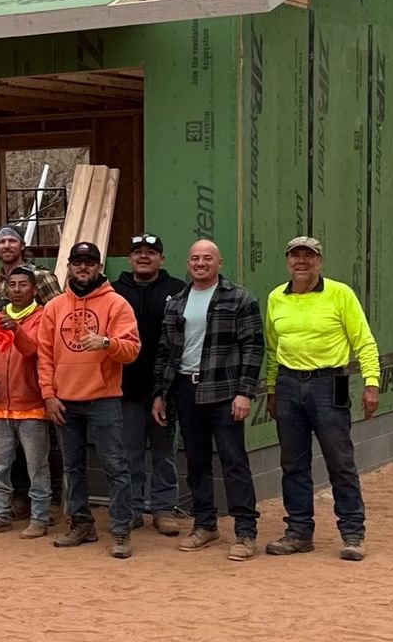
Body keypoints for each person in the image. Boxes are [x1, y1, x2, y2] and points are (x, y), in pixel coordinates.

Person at [262, 236, 381, 561]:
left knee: (340, 461)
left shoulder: (340, 294)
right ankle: (299, 532)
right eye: (295, 256)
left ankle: (353, 533)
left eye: (308, 257)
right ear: (287, 261)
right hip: (288, 383)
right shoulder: (276, 298)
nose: (302, 262)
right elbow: (272, 348)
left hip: (334, 381)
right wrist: (272, 388)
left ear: (319, 261)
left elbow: (364, 340)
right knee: (293, 463)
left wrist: (372, 382)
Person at [152, 239, 264, 561]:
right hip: (186, 391)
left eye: (208, 258)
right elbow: (165, 351)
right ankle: (205, 525)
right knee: (197, 461)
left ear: (219, 262)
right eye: (195, 259)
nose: (201, 264)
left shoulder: (239, 298)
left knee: (233, 461)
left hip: (224, 391)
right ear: (187, 264)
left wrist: (245, 391)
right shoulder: (176, 302)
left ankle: (245, 531)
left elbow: (253, 347)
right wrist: (160, 393)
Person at [37, 241, 142, 557]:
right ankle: (81, 523)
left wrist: (107, 342)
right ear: (69, 266)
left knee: (115, 467)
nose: (83, 267)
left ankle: (121, 530)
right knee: (73, 468)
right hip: (64, 401)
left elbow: (132, 350)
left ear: (99, 266)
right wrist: (48, 395)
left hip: (103, 400)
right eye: (78, 262)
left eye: (89, 262)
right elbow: (44, 355)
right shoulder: (54, 307)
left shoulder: (116, 305)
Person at [110, 233, 188, 535]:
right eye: (138, 252)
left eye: (151, 252)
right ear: (129, 259)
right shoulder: (114, 292)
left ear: (162, 259)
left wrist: (167, 388)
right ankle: (130, 510)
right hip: (124, 388)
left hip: (165, 389)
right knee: (128, 453)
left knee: (163, 452)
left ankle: (164, 509)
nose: (144, 257)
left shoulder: (178, 291)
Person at [0, 264, 53, 538]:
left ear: (34, 289)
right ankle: (0, 515)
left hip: (32, 406)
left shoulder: (44, 317)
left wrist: (18, 330)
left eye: (23, 285)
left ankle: (40, 518)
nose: (17, 289)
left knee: (37, 468)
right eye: (12, 284)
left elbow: (34, 351)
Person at [0, 224, 60, 303]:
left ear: (22, 246)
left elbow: (58, 311)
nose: (6, 246)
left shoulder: (41, 277)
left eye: (12, 241)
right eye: (2, 242)